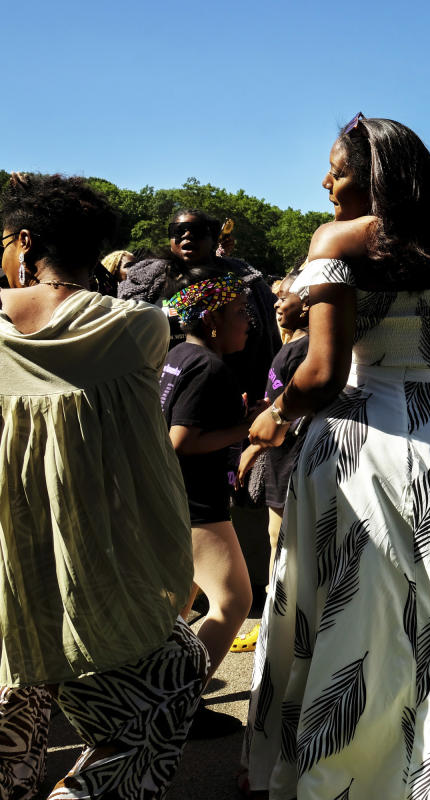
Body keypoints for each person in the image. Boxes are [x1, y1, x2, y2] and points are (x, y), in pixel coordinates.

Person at [243, 116, 430, 798]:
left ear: (374, 176)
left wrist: (274, 415)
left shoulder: (339, 242)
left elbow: (320, 374)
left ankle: (347, 764)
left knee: (356, 601)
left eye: (338, 170)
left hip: (356, 442)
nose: (326, 181)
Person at [0, 173, 206, 798]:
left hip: (9, 569)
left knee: (16, 708)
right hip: (95, 569)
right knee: (174, 670)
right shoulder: (139, 328)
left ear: (27, 241)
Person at [159, 271, 259, 736]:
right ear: (215, 319)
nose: (249, 321)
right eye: (240, 312)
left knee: (181, 602)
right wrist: (250, 428)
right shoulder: (209, 367)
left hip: (171, 496)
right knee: (234, 600)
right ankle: (182, 707)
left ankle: (156, 694)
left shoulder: (178, 354)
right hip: (197, 502)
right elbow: (181, 440)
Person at [232, 269, 313, 653]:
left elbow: (296, 413)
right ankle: (275, 624)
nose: (276, 302)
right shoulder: (291, 345)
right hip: (281, 459)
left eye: (285, 296)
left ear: (309, 300)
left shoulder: (306, 349)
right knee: (275, 542)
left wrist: (254, 446)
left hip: (292, 459)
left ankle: (277, 630)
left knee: (284, 546)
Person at [120, 208, 281, 401]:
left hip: (233, 393)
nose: (187, 235)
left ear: (213, 238)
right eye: (178, 231)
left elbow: (267, 338)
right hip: (163, 394)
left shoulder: (240, 280)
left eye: (196, 230)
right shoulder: (148, 282)